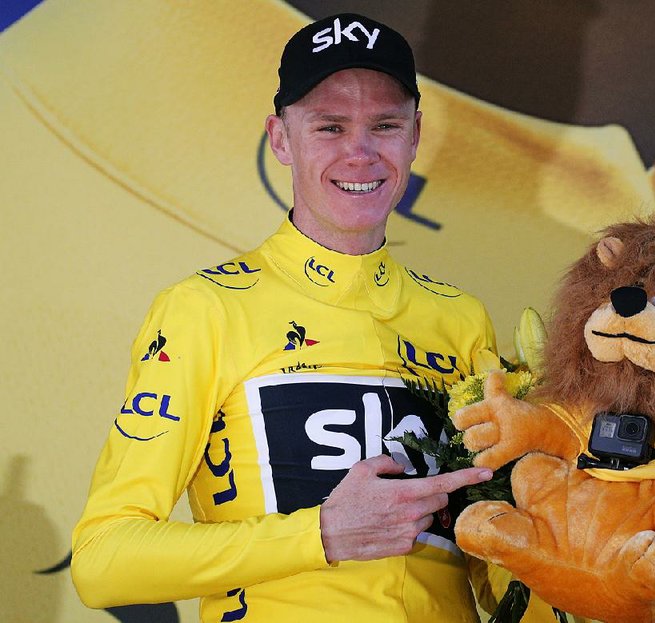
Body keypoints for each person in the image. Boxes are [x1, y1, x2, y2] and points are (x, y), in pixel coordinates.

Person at [71, 13, 498, 622]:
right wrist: (319, 535)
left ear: (414, 137)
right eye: (330, 126)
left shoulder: (462, 320)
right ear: (280, 138)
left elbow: (492, 571)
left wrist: (595, 572)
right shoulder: (206, 309)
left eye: (385, 125)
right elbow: (102, 559)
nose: (360, 152)